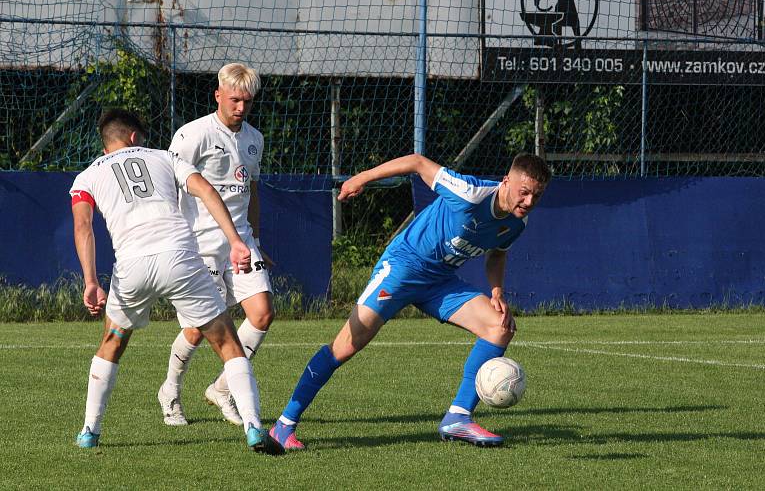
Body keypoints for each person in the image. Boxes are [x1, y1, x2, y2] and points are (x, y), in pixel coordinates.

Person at [268, 152, 551, 450]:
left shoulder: (518, 223)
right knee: (346, 345)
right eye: (524, 192)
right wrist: (361, 178)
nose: (529, 201)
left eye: (537, 195)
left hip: (440, 282)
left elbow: (498, 252)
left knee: (500, 326)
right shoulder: (469, 194)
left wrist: (496, 291)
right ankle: (283, 426)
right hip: (404, 268)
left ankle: (458, 417)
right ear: (506, 181)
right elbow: (417, 162)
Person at [70, 108, 282, 454]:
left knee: (112, 342)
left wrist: (91, 281)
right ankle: (254, 428)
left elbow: (83, 227)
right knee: (227, 343)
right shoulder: (165, 157)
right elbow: (207, 191)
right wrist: (238, 240)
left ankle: (89, 431)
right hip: (180, 259)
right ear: (136, 137)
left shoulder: (86, 177)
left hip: (131, 268)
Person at [157, 62, 276, 427]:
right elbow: (169, 183)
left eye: (248, 101)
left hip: (240, 243)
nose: (242, 107)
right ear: (218, 96)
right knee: (198, 328)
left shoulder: (253, 139)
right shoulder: (193, 135)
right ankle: (170, 390)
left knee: (263, 313)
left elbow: (250, 191)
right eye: (236, 100)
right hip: (200, 245)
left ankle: (222, 388)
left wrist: (253, 237)